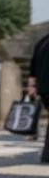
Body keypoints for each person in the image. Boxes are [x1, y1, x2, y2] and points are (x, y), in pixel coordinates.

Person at [26, 31, 49, 162]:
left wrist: (32, 87)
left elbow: (32, 68)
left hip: (44, 89)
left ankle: (47, 154)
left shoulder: (42, 42)